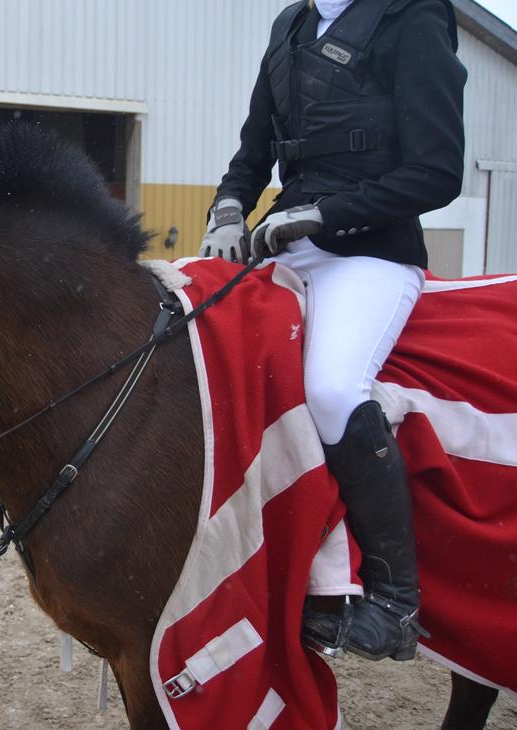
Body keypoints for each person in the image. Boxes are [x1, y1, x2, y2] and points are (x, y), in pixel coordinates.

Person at [199, 0, 467, 661]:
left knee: (329, 388)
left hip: (372, 252)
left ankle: (395, 602)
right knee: (208, 366)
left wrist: (328, 216)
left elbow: (438, 171)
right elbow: (252, 152)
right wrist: (229, 207)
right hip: (287, 244)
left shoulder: (413, 18)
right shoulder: (290, 25)